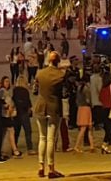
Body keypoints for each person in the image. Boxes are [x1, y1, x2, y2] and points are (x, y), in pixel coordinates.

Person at [34, 50, 66, 178]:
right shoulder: (61, 75)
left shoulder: (40, 73)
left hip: (41, 106)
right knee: (51, 139)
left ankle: (41, 166)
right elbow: (64, 93)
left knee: (42, 138)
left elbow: (35, 90)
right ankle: (51, 168)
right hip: (54, 108)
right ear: (58, 61)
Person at [11, 74, 34, 156]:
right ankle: (30, 148)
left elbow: (13, 100)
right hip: (24, 113)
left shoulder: (14, 90)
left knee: (16, 131)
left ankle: (14, 148)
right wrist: (30, 109)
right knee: (28, 131)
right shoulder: (25, 91)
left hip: (17, 113)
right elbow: (27, 102)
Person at [73, 74, 94, 152]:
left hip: (80, 108)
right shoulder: (86, 89)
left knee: (86, 128)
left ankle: (92, 146)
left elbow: (76, 100)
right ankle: (77, 146)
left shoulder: (79, 88)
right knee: (85, 128)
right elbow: (88, 100)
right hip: (86, 108)